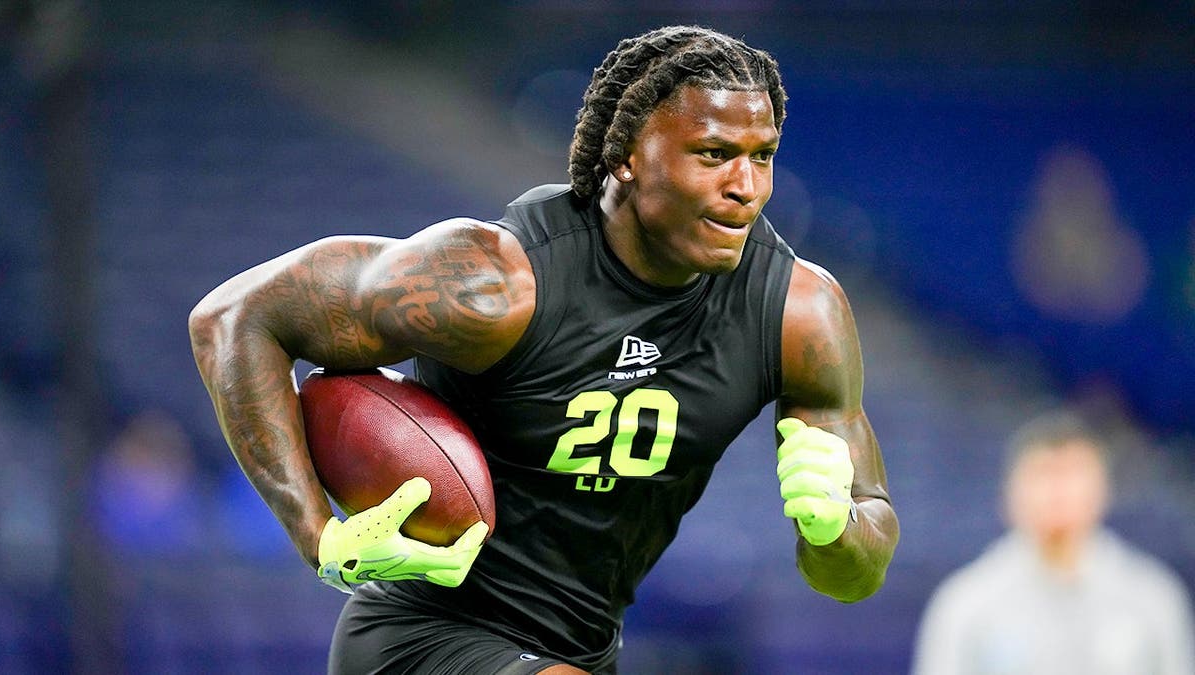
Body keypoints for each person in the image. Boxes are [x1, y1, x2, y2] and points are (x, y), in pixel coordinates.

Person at [190, 25, 899, 674]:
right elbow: (234, 317)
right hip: (426, 633)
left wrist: (834, 528)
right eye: (713, 154)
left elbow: (856, 574)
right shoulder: (492, 282)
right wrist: (320, 537)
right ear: (624, 157)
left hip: (584, 648)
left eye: (762, 157)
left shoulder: (798, 313)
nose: (746, 188)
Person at [911, 411, 1195, 675]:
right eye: (1043, 474)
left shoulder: (1152, 598)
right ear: (1009, 494)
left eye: (1071, 474)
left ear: (1103, 490)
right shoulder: (966, 604)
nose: (1057, 492)